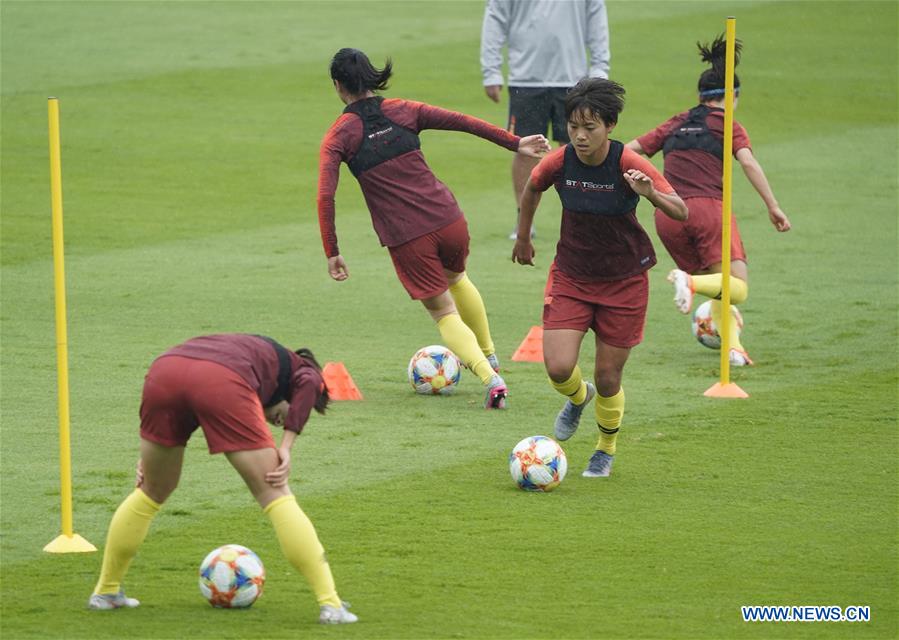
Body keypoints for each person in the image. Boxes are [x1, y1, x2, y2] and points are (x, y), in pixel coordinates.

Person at [319, 48, 551, 409]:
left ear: (338, 85)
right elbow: (464, 121)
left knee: (443, 312)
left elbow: (325, 196)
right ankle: (489, 356)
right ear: (371, 76)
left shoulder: (339, 136)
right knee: (457, 278)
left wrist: (332, 251)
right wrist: (515, 142)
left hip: (408, 237)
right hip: (449, 218)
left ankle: (491, 380)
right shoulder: (404, 109)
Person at [87, 333, 358, 625]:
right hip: (219, 379)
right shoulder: (300, 369)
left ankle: (106, 592)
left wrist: (153, 456)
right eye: (282, 417)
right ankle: (331, 605)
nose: (277, 422)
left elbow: (188, 382)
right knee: (275, 493)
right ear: (288, 394)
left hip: (165, 370)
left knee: (151, 490)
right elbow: (312, 382)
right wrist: (286, 446)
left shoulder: (253, 351)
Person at [512, 78, 687, 478]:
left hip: (624, 281)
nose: (579, 135)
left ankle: (605, 448)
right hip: (572, 275)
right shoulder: (561, 161)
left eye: (589, 127)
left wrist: (651, 195)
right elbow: (532, 189)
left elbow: (681, 211)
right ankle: (577, 397)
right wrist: (523, 238)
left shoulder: (630, 164)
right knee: (558, 367)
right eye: (573, 126)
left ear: (610, 126)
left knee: (608, 377)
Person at [626, 35, 791, 366]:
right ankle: (689, 283)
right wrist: (772, 206)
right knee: (737, 286)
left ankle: (734, 349)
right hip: (708, 210)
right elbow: (747, 161)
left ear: (701, 96)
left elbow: (630, 151)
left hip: (668, 214)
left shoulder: (677, 121)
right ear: (733, 97)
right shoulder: (729, 124)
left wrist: (649, 184)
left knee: (719, 286)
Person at [480, 0, 611, 239]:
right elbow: (496, 17)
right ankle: (524, 220)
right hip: (525, 78)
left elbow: (596, 16)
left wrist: (600, 68)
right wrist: (491, 70)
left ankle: (582, 216)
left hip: (574, 78)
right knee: (524, 148)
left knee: (579, 148)